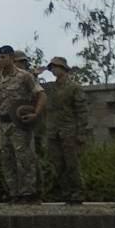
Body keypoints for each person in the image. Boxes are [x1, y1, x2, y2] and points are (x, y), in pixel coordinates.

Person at [0, 46, 42, 203]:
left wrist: (36, 113)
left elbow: (41, 94)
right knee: (7, 161)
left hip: (20, 124)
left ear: (12, 58)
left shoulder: (24, 76)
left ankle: (29, 194)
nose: (0, 60)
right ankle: (14, 194)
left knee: (25, 159)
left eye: (3, 57)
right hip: (3, 125)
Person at [41, 56, 92, 205]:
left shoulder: (74, 87)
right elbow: (33, 86)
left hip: (69, 131)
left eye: (56, 67)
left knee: (72, 164)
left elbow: (82, 111)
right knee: (58, 164)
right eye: (52, 68)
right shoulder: (50, 87)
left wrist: (81, 133)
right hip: (53, 132)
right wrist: (35, 73)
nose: (54, 70)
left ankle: (77, 194)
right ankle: (66, 193)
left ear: (63, 68)